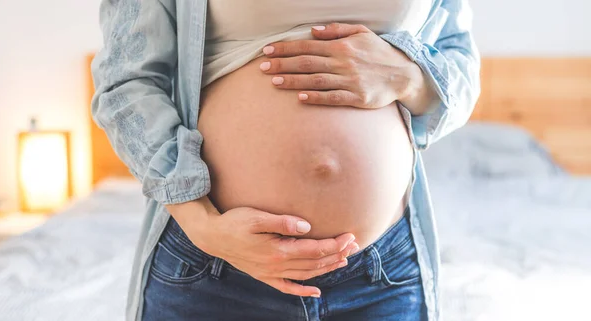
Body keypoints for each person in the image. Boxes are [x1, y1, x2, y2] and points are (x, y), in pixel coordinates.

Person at [91, 0, 480, 320]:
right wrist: (203, 226)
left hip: (378, 276)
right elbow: (126, 82)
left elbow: (459, 65)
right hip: (214, 267)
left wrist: (407, 77)